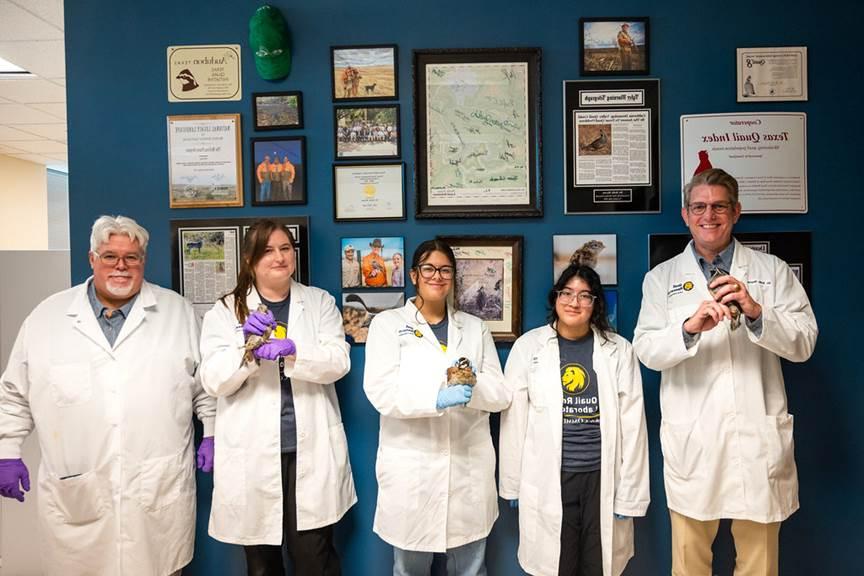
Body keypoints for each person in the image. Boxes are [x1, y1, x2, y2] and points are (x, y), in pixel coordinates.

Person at [0, 215, 215, 575]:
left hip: (157, 492)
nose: (121, 266)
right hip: (78, 495)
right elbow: (14, 394)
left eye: (131, 257)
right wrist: (7, 451)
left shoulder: (177, 313)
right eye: (110, 256)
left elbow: (206, 387)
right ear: (92, 259)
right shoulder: (47, 318)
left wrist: (212, 432)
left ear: (143, 261)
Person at [633, 168, 818, 576]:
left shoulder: (771, 272)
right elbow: (646, 350)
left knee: (759, 564)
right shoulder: (660, 279)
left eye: (719, 206)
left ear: (736, 212)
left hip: (757, 439)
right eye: (699, 206)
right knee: (689, 563)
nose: (708, 215)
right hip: (694, 442)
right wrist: (686, 329)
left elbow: (805, 343)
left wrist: (756, 312)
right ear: (685, 215)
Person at [200, 219, 356, 576]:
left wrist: (294, 352)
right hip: (251, 453)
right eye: (268, 250)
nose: (279, 257)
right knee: (261, 565)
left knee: (314, 558)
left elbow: (338, 360)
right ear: (250, 259)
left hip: (309, 449)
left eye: (286, 248)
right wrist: (247, 350)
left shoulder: (319, 303)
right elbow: (213, 379)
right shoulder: (225, 311)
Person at [363, 239, 510, 576]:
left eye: (445, 270)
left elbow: (501, 393)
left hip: (467, 464)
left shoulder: (475, 328)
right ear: (414, 274)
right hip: (412, 467)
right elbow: (381, 391)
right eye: (428, 268)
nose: (437, 276)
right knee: (409, 568)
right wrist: (437, 397)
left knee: (471, 568)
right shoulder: (388, 325)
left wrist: (472, 389)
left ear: (452, 277)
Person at [499, 264, 649, 576]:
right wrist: (513, 484)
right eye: (566, 293)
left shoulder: (619, 350)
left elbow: (633, 426)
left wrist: (630, 494)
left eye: (584, 296)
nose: (574, 302)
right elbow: (514, 422)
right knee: (558, 564)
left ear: (595, 304)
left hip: (600, 475)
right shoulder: (529, 347)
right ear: (555, 298)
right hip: (549, 476)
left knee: (598, 564)